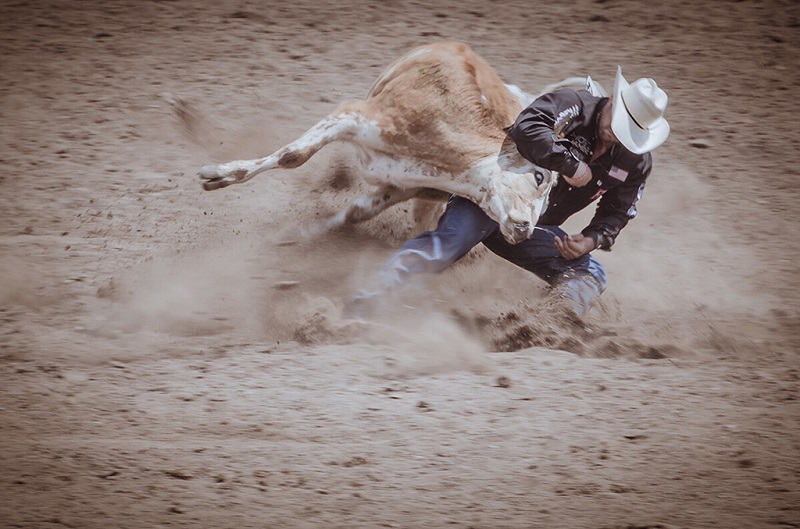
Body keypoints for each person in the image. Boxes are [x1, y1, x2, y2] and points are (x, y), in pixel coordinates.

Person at [348, 66, 670, 319]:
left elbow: (618, 211)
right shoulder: (574, 105)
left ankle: (549, 326)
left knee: (591, 272)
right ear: (613, 98)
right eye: (618, 118)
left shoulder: (635, 161)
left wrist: (591, 239)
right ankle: (364, 304)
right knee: (444, 247)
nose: (616, 130)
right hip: (492, 199)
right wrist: (570, 165)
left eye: (627, 129)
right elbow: (528, 127)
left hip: (532, 225)